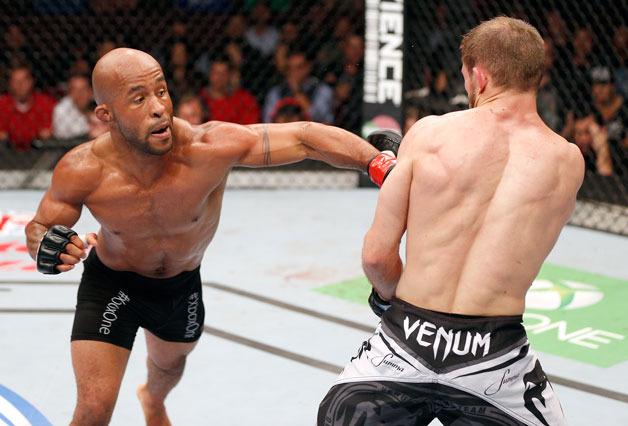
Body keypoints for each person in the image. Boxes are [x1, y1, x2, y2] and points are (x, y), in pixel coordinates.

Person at [24, 48, 397, 426]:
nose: (158, 108)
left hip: (180, 287)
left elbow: (304, 138)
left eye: (162, 91)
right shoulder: (82, 169)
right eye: (139, 99)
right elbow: (40, 228)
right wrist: (47, 247)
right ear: (106, 115)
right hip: (111, 284)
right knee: (92, 411)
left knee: (167, 370)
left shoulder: (208, 148)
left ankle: (152, 398)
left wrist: (376, 161)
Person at [318, 17, 584, 425]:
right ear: (536, 77)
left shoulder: (428, 135)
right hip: (496, 357)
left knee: (342, 414)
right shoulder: (567, 162)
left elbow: (376, 258)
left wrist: (390, 299)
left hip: (407, 339)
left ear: (479, 76)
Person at [53, 74, 93, 140]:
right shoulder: (61, 109)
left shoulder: (99, 103)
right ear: (69, 92)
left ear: (90, 91)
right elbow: (61, 136)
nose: (79, 94)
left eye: (83, 89)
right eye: (75, 89)